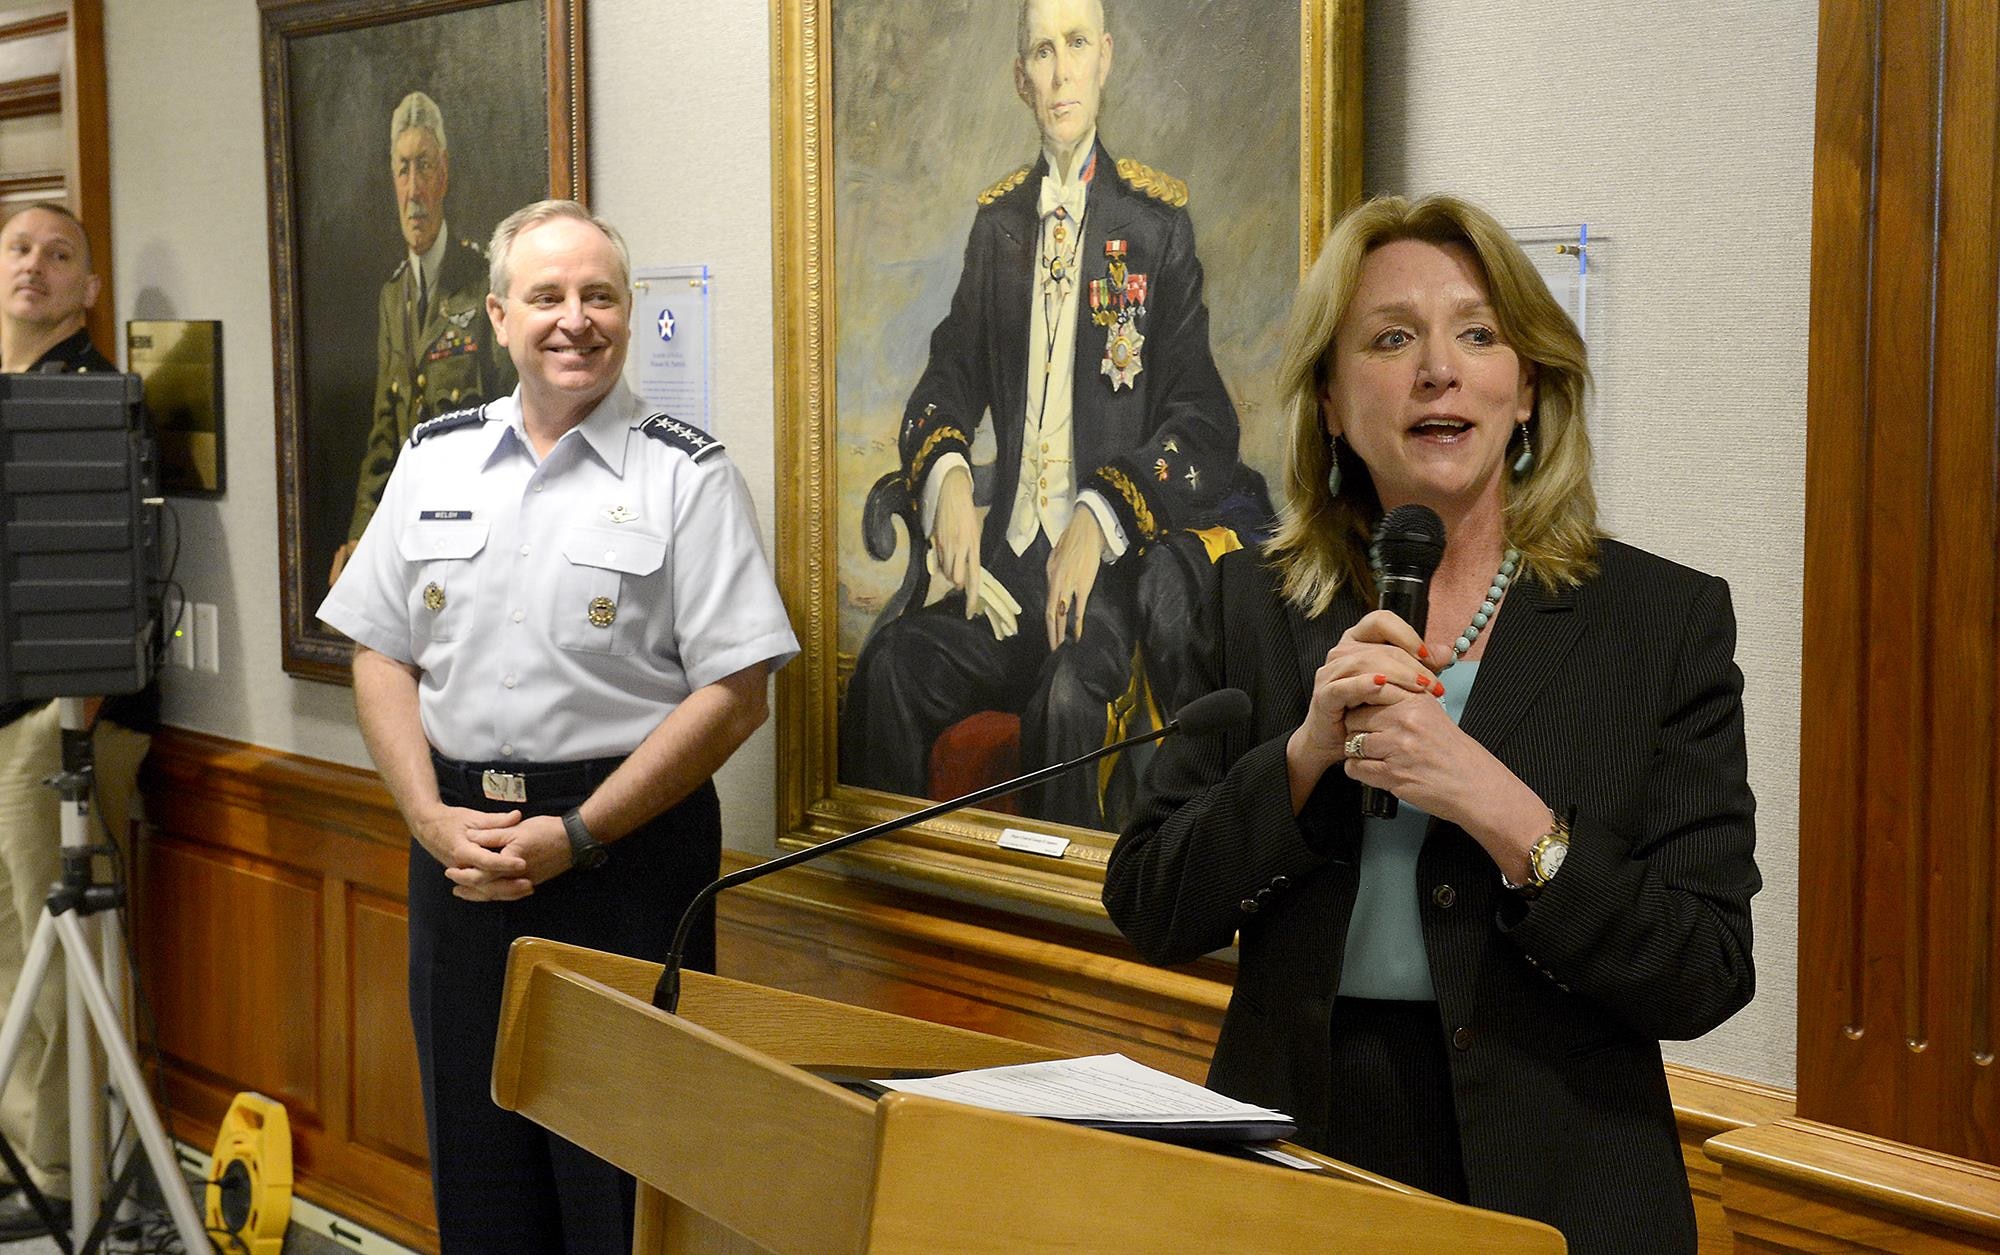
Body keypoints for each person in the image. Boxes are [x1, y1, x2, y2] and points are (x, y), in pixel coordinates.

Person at [1101, 194, 1760, 1253]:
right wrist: (1304, 758)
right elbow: (1149, 902)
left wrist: (1505, 813)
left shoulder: (1658, 621)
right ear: (1326, 399)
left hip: (1556, 1174)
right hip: (1298, 1157)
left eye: (1476, 333)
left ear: (1527, 389)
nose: (1435, 370)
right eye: (1390, 338)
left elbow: (1703, 966)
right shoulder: (1251, 610)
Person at [318, 199, 797, 1254]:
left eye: (599, 296)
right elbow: (379, 652)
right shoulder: (433, 458)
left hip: (624, 864)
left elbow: (736, 691)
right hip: (460, 861)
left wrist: (577, 833)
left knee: (621, 1191)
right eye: (546, 297)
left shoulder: (687, 475)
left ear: (627, 313)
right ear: (497, 316)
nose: (574, 320)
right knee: (480, 1181)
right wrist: (429, 817)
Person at [838, 0, 1269, 830]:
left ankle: (1057, 941)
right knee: (888, 666)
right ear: (1020, 78)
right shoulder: (996, 225)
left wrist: (1100, 510)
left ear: (1105, 58)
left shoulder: (1155, 226)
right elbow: (947, 377)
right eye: (1042, 51)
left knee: (1066, 700)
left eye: (1076, 45)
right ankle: (900, 913)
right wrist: (951, 477)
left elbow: (1204, 421)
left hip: (1106, 583)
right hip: (1005, 572)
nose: (1061, 69)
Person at [0, 201, 157, 1241]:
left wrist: (73, 719)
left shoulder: (95, 397)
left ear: (89, 289)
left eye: (60, 255)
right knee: (9, 943)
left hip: (50, 723)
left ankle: (81, 1169)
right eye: (18, 249)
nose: (35, 268)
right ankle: (32, 1157)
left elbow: (125, 575)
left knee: (64, 955)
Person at [328, 90, 513, 586]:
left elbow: (514, 419)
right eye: (403, 169)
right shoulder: (393, 297)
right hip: (412, 533)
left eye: (424, 167)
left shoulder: (483, 280)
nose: (414, 190)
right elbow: (385, 429)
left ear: (444, 174)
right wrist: (360, 536)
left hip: (479, 533)